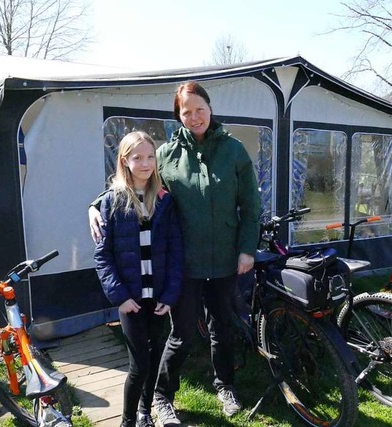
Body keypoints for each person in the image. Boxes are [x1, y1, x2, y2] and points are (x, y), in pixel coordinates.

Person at [90, 81, 261, 425]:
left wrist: (246, 250)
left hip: (227, 259)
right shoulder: (165, 154)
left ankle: (225, 385)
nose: (195, 116)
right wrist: (95, 205)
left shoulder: (234, 151)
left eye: (200, 109)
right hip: (183, 264)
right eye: (187, 112)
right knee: (181, 334)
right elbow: (136, 186)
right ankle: (162, 395)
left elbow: (251, 206)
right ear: (178, 116)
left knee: (223, 327)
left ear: (210, 109)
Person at [94, 131, 183, 427]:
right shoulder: (112, 202)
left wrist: (169, 296)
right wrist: (120, 296)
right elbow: (103, 257)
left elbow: (174, 252)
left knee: (156, 357)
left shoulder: (164, 200)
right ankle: (128, 418)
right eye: (137, 157)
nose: (145, 163)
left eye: (150, 156)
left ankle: (146, 411)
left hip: (158, 300)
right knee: (138, 365)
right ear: (124, 161)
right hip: (130, 300)